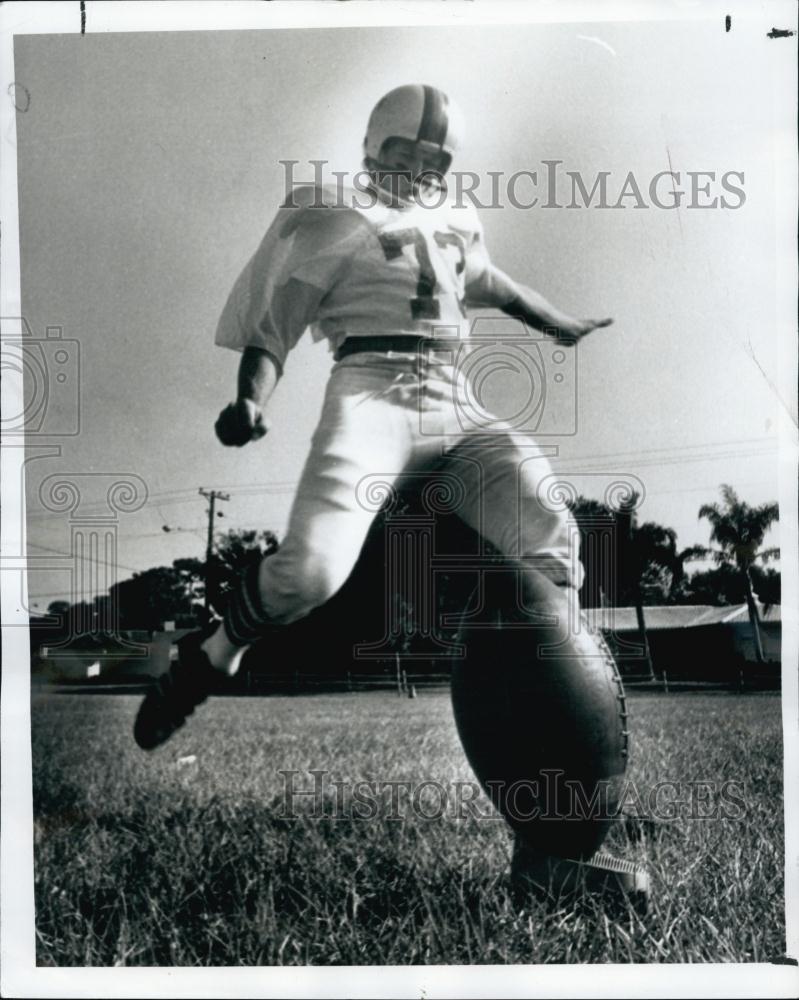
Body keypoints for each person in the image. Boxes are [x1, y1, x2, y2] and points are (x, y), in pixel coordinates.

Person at [134, 84, 643, 901]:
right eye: (401, 154)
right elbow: (274, 323)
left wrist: (560, 324)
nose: (416, 169)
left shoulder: (458, 220)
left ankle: (561, 780)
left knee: (549, 535)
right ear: (371, 149)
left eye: (431, 159)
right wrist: (251, 398)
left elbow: (497, 286)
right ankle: (215, 650)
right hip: (371, 391)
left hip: (455, 399)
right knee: (310, 576)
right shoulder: (327, 210)